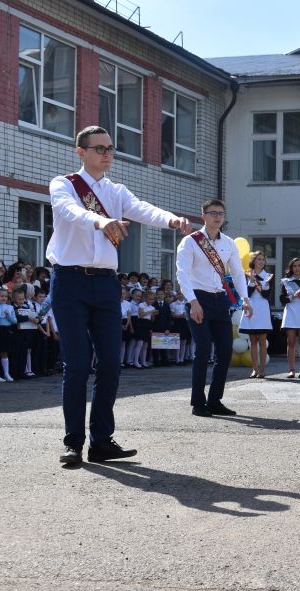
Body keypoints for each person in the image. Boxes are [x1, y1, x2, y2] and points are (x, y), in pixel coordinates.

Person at [49, 125, 192, 464]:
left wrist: (172, 220)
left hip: (106, 283)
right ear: (80, 152)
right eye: (99, 148)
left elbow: (142, 209)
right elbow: (70, 211)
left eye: (110, 148)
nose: (106, 154)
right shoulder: (64, 184)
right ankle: (73, 443)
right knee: (78, 365)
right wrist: (100, 221)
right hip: (69, 282)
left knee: (111, 364)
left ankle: (101, 441)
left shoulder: (116, 191)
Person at [176, 199, 253, 418]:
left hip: (220, 301)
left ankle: (215, 399)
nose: (217, 217)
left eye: (221, 213)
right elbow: (182, 274)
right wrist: (193, 302)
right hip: (198, 298)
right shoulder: (190, 242)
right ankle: (198, 402)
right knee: (202, 351)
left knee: (225, 351)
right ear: (204, 215)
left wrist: (245, 298)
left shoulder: (229, 242)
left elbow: (237, 273)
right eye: (213, 213)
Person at [239, 251, 273, 379]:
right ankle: (254, 369)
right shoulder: (247, 275)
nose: (261, 262)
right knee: (252, 341)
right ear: (254, 261)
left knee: (262, 341)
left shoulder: (268, 276)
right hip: (251, 306)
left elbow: (267, 295)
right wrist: (252, 281)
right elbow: (245, 293)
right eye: (258, 259)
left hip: (262, 308)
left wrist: (261, 284)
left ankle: (262, 369)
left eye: (263, 259)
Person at [280, 257, 300, 379]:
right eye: (295, 266)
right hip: (291, 314)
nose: (297, 268)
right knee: (291, 342)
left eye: (299, 265)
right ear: (291, 268)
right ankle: (291, 370)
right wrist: (293, 296)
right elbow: (282, 299)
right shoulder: (286, 281)